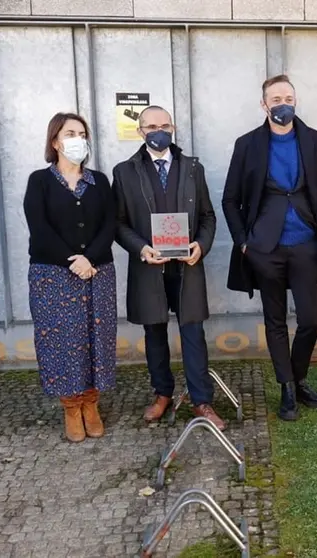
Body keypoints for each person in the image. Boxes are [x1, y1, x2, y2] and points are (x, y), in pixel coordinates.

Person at [222, 74, 317, 422]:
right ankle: (286, 388)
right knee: (274, 321)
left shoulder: (315, 141)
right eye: (275, 98)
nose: (282, 104)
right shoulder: (247, 144)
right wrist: (243, 243)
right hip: (264, 247)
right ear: (264, 104)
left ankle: (299, 379)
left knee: (311, 320)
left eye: (288, 97)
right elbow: (230, 199)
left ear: (295, 100)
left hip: (306, 245)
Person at [112, 105, 225, 431]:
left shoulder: (192, 168)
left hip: (187, 266)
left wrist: (200, 246)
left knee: (193, 332)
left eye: (164, 125)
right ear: (140, 131)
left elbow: (208, 216)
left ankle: (201, 399)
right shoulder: (125, 172)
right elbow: (118, 223)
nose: (158, 131)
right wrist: (141, 249)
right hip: (149, 266)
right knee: (154, 333)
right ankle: (162, 392)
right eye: (151, 126)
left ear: (173, 127)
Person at [24, 112, 117, 443]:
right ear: (55, 141)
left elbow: (110, 223)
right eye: (70, 133)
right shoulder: (40, 181)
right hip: (53, 274)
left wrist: (89, 257)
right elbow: (39, 226)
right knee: (62, 341)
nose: (77, 138)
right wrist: (72, 260)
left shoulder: (100, 181)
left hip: (97, 272)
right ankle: (70, 406)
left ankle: (91, 404)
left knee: (96, 337)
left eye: (82, 132)